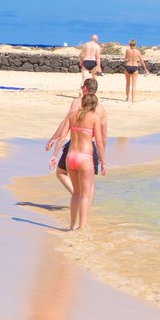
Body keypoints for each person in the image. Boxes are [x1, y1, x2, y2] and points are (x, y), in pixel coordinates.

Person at [47, 78, 107, 195]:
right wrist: (102, 156)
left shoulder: (77, 102)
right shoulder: (102, 109)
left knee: (60, 172)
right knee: (90, 184)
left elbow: (66, 123)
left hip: (74, 147)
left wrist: (54, 138)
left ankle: (76, 196)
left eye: (81, 87)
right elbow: (103, 136)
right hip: (91, 147)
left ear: (85, 88)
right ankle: (86, 207)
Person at [56, 92, 106, 230]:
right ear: (94, 105)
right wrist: (103, 161)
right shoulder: (95, 118)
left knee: (76, 194)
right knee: (85, 194)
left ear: (82, 103)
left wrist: (55, 154)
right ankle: (82, 226)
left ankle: (72, 225)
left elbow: (62, 136)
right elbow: (100, 142)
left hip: (70, 157)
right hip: (85, 158)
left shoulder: (72, 116)